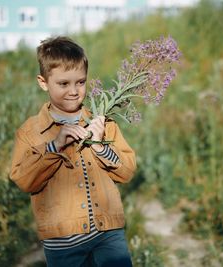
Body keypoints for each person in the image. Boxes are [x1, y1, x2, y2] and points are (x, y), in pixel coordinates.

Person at [10, 36, 136, 267]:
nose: (74, 91)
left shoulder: (102, 122)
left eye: (80, 82)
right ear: (43, 82)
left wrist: (99, 146)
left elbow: (126, 172)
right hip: (62, 242)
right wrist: (54, 146)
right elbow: (25, 180)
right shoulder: (30, 132)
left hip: (108, 234)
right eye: (63, 84)